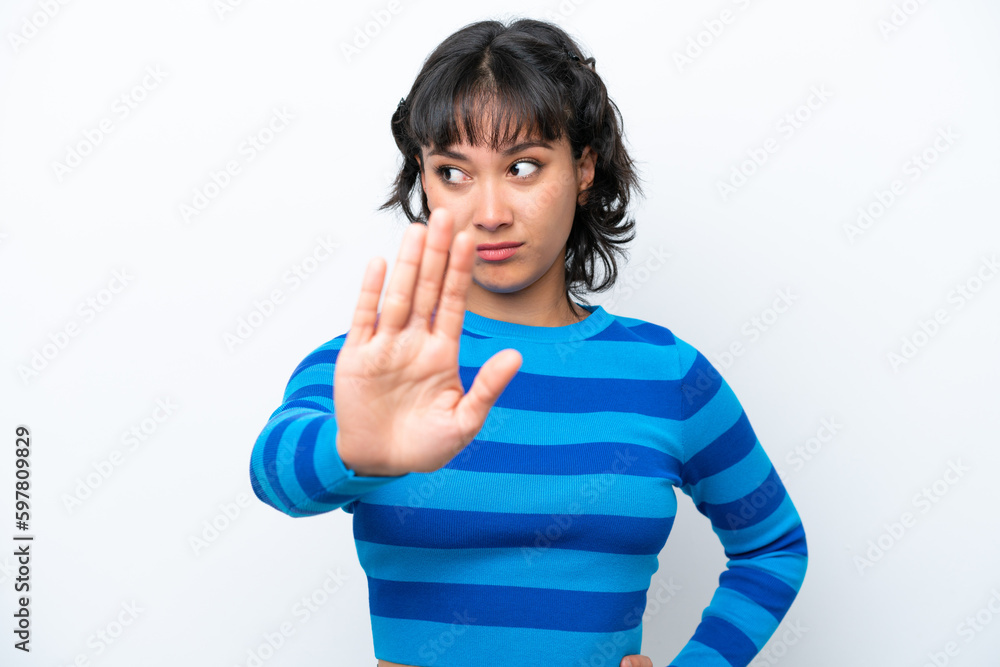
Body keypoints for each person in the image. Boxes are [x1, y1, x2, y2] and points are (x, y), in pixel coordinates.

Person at [249, 17, 807, 667]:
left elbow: (773, 546)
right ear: (423, 180)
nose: (490, 213)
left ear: (583, 167)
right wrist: (357, 448)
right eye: (453, 172)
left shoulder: (667, 374)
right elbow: (273, 474)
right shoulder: (376, 363)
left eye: (523, 166)